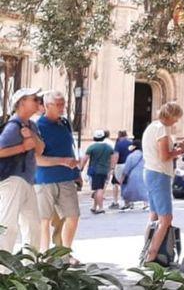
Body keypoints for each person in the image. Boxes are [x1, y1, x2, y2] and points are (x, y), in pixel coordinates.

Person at [141, 101, 184, 265]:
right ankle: (152, 255)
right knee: (166, 218)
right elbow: (164, 156)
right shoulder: (162, 130)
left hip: (149, 171)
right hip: (160, 173)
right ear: (171, 116)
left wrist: (175, 148)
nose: (176, 122)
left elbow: (158, 151)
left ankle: (146, 249)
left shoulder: (152, 127)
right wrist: (180, 151)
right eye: (176, 118)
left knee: (154, 215)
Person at [32, 90, 81, 255]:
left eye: (63, 104)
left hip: (67, 177)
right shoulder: (38, 127)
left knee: (73, 216)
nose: (62, 107)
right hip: (44, 179)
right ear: (47, 106)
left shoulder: (65, 123)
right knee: (43, 219)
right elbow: (36, 158)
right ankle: (45, 255)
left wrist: (77, 172)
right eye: (58, 105)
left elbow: (69, 148)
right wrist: (62, 161)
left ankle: (65, 253)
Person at [0, 88, 44, 253]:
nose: (38, 102)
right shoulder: (13, 126)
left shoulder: (31, 125)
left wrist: (31, 136)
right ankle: (2, 271)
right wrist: (22, 147)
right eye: (34, 99)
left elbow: (40, 149)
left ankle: (30, 268)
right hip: (12, 180)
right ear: (22, 102)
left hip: (26, 180)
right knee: (8, 225)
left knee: (33, 226)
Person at [84, 129, 118, 215]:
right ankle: (94, 206)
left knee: (98, 189)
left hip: (94, 170)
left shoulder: (92, 147)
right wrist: (112, 168)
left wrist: (80, 168)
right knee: (99, 188)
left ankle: (100, 207)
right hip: (104, 170)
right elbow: (114, 157)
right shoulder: (108, 147)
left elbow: (85, 158)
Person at [119, 143, 147, 209]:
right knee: (144, 189)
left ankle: (127, 203)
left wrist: (122, 178)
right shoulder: (145, 155)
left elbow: (126, 168)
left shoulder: (131, 156)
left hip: (133, 175)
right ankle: (146, 204)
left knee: (128, 189)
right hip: (144, 174)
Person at [111, 130, 133, 209]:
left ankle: (126, 203)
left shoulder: (118, 144)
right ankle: (130, 201)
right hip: (130, 165)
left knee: (121, 183)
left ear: (119, 136)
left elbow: (116, 156)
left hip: (120, 165)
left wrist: (113, 167)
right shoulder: (131, 143)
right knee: (128, 183)